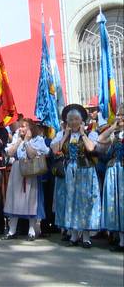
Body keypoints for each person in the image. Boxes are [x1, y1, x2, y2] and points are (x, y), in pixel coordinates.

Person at [51, 104, 100, 248]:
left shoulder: (90, 133)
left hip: (85, 171)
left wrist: (83, 133)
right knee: (70, 202)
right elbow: (55, 150)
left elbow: (91, 148)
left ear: (81, 121)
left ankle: (85, 237)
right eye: (70, 120)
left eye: (76, 119)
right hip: (69, 172)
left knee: (84, 203)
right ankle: (73, 235)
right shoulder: (63, 135)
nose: (73, 122)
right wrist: (66, 134)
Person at [2, 118, 50, 241]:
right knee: (14, 199)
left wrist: (27, 141)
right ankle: (12, 230)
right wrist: (18, 141)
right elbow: (10, 153)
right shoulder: (17, 138)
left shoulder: (37, 140)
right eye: (21, 126)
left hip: (31, 170)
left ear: (31, 128)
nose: (21, 129)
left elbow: (33, 155)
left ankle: (32, 230)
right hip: (17, 170)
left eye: (24, 126)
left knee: (31, 199)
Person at [97, 106, 124, 252]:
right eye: (118, 115)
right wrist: (113, 127)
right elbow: (100, 140)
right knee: (117, 204)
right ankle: (120, 240)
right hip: (115, 171)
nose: (120, 117)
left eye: (122, 115)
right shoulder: (115, 134)